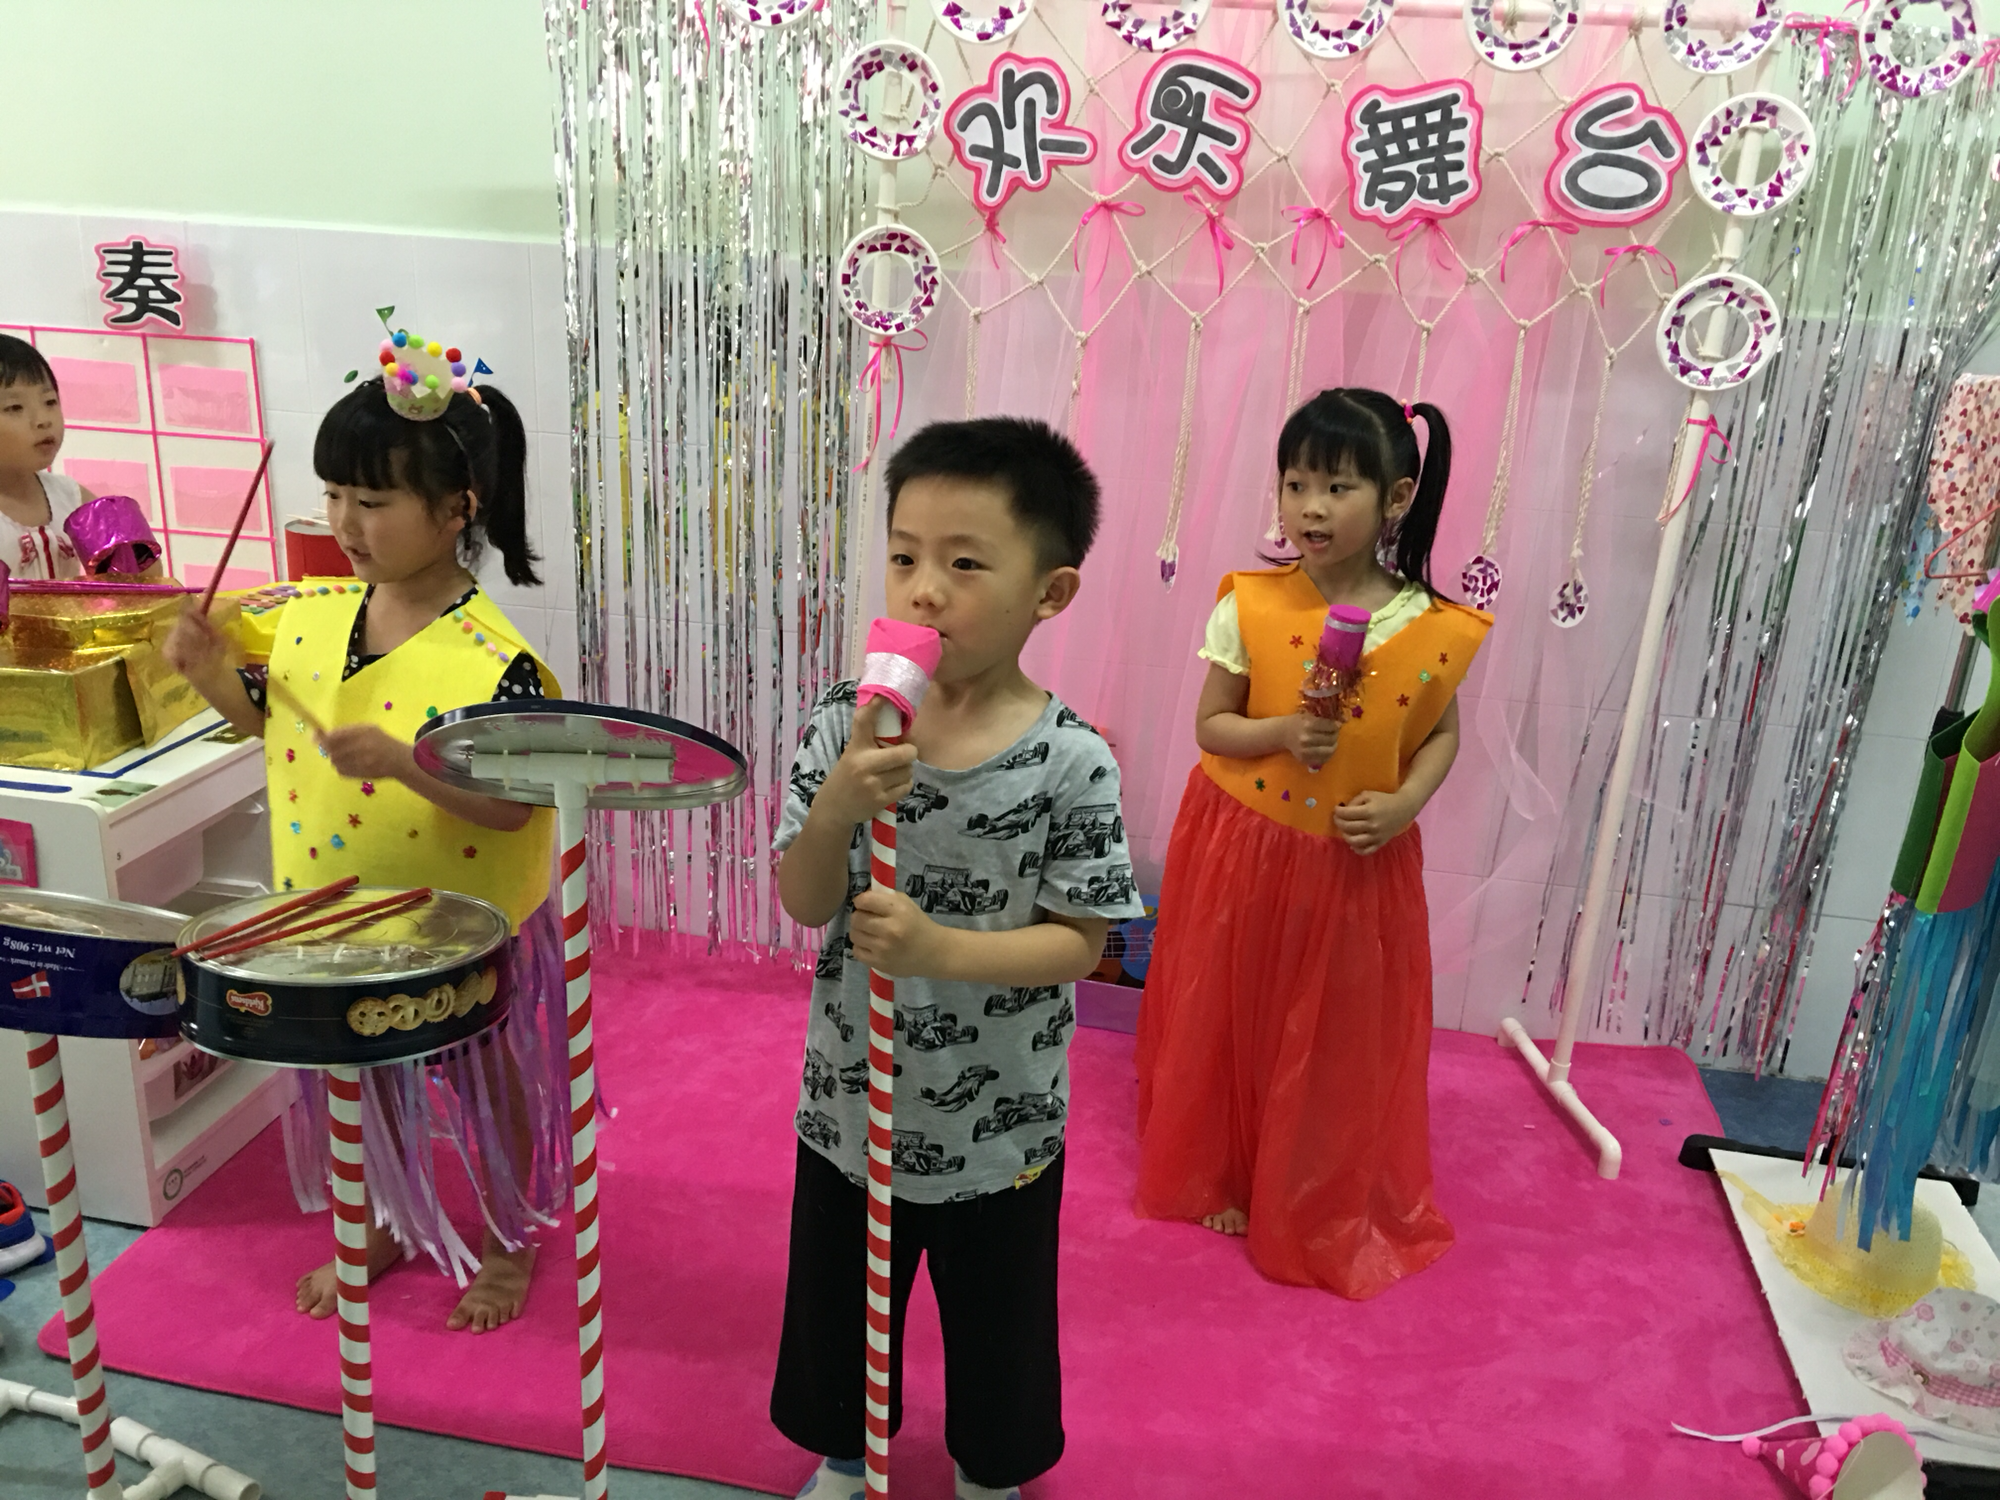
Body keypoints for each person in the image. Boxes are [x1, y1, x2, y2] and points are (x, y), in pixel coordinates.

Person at [773, 418, 1145, 1500]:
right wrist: (838, 804)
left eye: (965, 563)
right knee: (841, 1312)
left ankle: (991, 1471)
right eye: (904, 556)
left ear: (1049, 592)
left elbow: (1081, 945)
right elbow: (803, 900)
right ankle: (846, 1456)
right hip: (852, 1108)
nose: (924, 589)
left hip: (1001, 1126)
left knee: (999, 1324)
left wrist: (940, 947)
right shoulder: (844, 722)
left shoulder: (1071, 760)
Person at [163, 361, 568, 1334]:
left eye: (374, 501)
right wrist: (212, 673)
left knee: (486, 1080)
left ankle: (508, 1239)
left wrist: (408, 766)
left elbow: (516, 811)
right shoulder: (313, 615)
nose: (346, 522)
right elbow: (270, 722)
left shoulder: (496, 661)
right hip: (334, 909)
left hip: (461, 924)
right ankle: (387, 1216)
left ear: (458, 507)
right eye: (335, 494)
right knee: (364, 1077)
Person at [1133, 388, 1492, 1300]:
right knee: (1232, 1004)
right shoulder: (1250, 604)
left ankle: (1299, 1172)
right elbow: (1213, 727)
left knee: (1330, 1023)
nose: (1310, 508)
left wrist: (1406, 801)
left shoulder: (1434, 627)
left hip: (1355, 860)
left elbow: (1441, 736)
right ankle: (1223, 1165)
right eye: (1295, 485)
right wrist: (1285, 732)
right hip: (1244, 843)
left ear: (1396, 498)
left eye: (1336, 488)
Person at [0, 333, 93, 579]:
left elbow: (141, 580)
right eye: (14, 407)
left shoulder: (72, 497)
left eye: (49, 401)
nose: (43, 420)